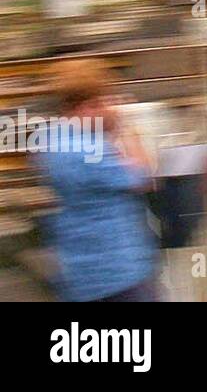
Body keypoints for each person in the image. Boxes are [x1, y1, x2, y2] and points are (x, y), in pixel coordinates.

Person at [37, 59, 159, 302]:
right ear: (87, 106)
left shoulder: (53, 137)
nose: (112, 107)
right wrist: (126, 129)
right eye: (107, 101)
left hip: (79, 271)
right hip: (118, 272)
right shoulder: (88, 150)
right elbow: (143, 176)